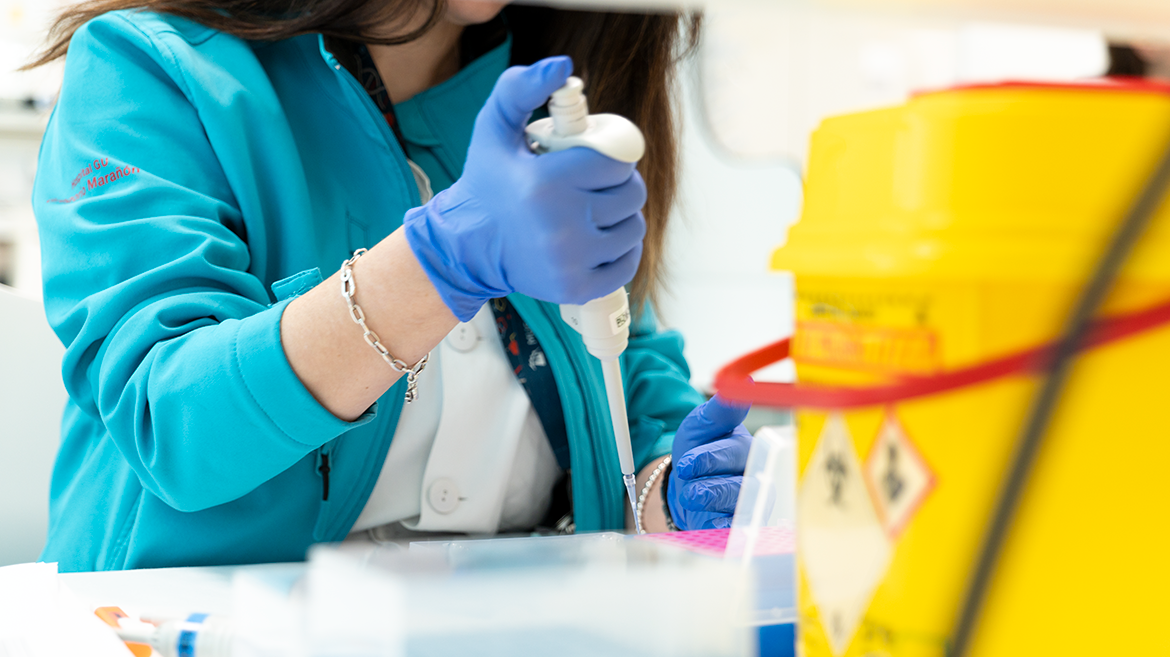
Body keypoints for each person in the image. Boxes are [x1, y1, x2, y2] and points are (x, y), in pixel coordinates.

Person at [30, 0, 753, 572]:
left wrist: (667, 492)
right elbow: (174, 423)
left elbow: (630, 387)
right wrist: (435, 265)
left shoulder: (561, 96)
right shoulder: (150, 68)